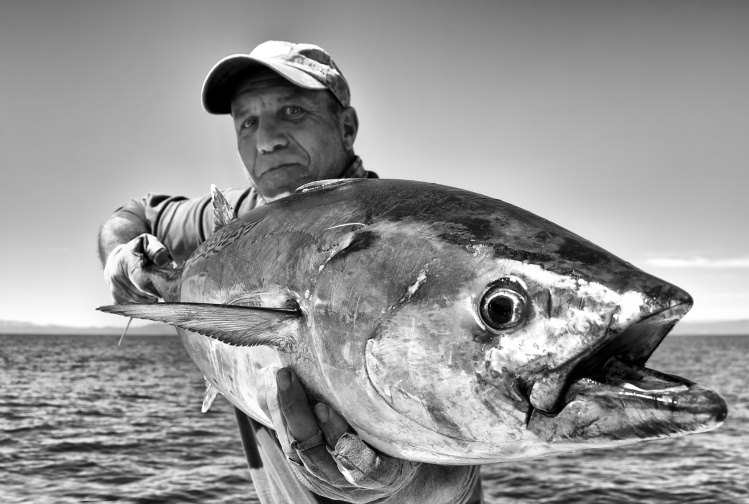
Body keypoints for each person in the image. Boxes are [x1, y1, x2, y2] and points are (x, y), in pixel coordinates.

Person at [98, 40, 483, 504]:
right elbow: (135, 212)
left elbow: (454, 466)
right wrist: (121, 252)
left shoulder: (395, 248)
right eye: (248, 122)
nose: (267, 139)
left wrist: (401, 484)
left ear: (346, 126)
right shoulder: (234, 220)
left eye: (293, 112)